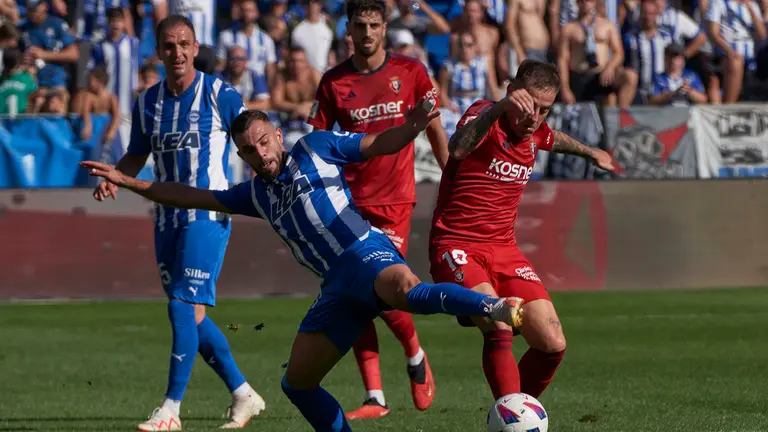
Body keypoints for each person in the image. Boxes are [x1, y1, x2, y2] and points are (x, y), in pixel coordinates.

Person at [80, 104, 526, 432]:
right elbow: (186, 195)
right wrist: (129, 181)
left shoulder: (314, 147)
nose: (259, 153)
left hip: (364, 252)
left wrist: (412, 125)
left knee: (405, 289)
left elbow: (375, 145)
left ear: (276, 133)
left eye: (263, 141)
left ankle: (496, 307)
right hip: (335, 288)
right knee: (298, 383)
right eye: (248, 150)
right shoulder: (254, 194)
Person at [90, 15, 263, 431]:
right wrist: (117, 176)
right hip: (166, 217)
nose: (178, 52)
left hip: (208, 213)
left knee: (181, 305)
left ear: (196, 45)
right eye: (169, 46)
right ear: (159, 50)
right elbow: (137, 152)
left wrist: (268, 182)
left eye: (185, 44)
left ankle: (171, 409)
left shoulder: (219, 92)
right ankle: (243, 393)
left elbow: (253, 136)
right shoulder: (148, 101)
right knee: (192, 316)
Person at [429, 60, 614, 403]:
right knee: (499, 324)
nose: (536, 117)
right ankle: (509, 417)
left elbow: (554, 139)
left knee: (552, 343)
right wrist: (501, 104)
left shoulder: (535, 131)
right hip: (457, 244)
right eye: (531, 106)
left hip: (504, 249)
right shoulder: (485, 114)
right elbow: (457, 148)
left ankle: (516, 414)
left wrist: (591, 153)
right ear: (514, 94)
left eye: (545, 109)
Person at [307, 0, 450, 419]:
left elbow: (435, 128)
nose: (366, 32)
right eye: (359, 25)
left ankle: (414, 354)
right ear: (347, 28)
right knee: (355, 294)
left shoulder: (411, 73)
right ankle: (376, 398)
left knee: (383, 293)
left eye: (373, 24)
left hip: (393, 201)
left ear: (385, 27)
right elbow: (317, 140)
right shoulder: (334, 82)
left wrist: (451, 178)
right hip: (347, 204)